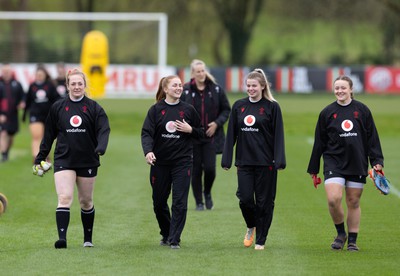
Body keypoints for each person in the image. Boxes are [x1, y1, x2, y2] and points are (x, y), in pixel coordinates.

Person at [33, 68, 110, 249]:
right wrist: (40, 157)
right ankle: (62, 239)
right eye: (73, 84)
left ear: (84, 86)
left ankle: (87, 239)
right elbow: (49, 134)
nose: (76, 87)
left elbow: (104, 129)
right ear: (67, 86)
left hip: (87, 160)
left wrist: (101, 147)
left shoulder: (94, 108)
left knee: (86, 201)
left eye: (79, 84)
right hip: (63, 159)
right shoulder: (58, 107)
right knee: (65, 197)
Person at [307, 75, 384, 252]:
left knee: (353, 201)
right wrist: (314, 168)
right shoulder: (327, 113)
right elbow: (319, 142)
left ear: (351, 90)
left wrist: (377, 161)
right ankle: (341, 233)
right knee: (334, 199)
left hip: (357, 160)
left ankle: (352, 241)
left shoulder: (362, 110)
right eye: (337, 88)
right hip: (334, 161)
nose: (340, 91)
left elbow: (372, 138)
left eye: (343, 88)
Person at [221, 68, 286, 250]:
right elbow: (231, 134)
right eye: (248, 85)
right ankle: (251, 226)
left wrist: (279, 160)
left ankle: (261, 240)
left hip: (267, 163)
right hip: (244, 162)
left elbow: (278, 135)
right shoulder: (239, 106)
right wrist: (227, 159)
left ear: (262, 86)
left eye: (254, 86)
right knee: (245, 199)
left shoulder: (272, 107)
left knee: (265, 203)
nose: (250, 88)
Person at [141, 75, 204, 249]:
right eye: (174, 85)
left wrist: (190, 129)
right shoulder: (155, 110)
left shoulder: (189, 110)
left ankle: (175, 239)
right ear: (166, 89)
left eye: (180, 85)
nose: (178, 88)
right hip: (160, 163)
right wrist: (148, 152)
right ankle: (166, 232)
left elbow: (202, 133)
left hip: (182, 163)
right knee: (159, 202)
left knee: (179, 201)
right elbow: (146, 133)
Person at [181, 59, 231, 211]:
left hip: (211, 136)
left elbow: (226, 110)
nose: (201, 74)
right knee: (195, 171)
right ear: (193, 74)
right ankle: (199, 202)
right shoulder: (186, 90)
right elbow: (179, 110)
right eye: (198, 71)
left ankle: (207, 193)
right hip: (192, 137)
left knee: (210, 169)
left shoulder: (216, 90)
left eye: (203, 71)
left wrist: (217, 123)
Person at [24, 64, 60, 163]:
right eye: (37, 74)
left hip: (48, 115)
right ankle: (36, 156)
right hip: (35, 114)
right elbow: (27, 101)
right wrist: (24, 115)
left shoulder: (50, 86)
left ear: (45, 75)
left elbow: (56, 99)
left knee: (47, 137)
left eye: (41, 74)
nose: (39, 76)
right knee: (36, 135)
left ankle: (45, 156)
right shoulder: (32, 86)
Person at [0, 63, 25, 162]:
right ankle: (4, 155)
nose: (6, 73)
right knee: (3, 133)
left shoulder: (17, 84)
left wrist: (22, 103)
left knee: (11, 136)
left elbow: (23, 96)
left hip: (13, 114)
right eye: (4, 71)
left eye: (8, 71)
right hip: (2, 114)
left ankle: (6, 151)